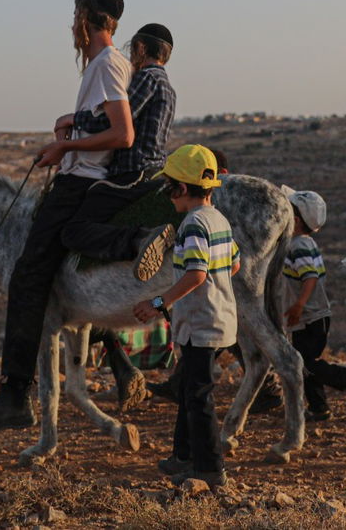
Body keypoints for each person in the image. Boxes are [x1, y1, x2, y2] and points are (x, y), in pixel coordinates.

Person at [0, 0, 135, 433]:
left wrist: (66, 149)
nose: (71, 25)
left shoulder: (108, 64)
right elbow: (102, 123)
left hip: (80, 183)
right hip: (76, 176)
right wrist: (69, 129)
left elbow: (123, 134)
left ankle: (14, 396)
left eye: (75, 15)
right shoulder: (100, 66)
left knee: (26, 276)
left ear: (89, 19)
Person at [133, 145, 240, 488]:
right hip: (220, 317)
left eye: (168, 187)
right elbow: (234, 263)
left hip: (199, 324)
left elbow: (195, 274)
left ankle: (209, 468)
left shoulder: (192, 224)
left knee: (199, 396)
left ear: (180, 189)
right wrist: (217, 287)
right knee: (190, 388)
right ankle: (183, 455)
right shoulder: (218, 219)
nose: (167, 195)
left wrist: (158, 303)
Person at [60, 23, 178, 279]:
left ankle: (141, 240)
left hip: (132, 173)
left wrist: (74, 119)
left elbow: (112, 123)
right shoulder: (168, 86)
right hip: (155, 170)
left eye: (133, 49)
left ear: (141, 48)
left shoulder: (147, 79)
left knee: (74, 230)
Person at [280, 187, 346, 421]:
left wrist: (298, 305)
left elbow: (310, 277)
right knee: (305, 364)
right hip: (309, 316)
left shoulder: (299, 246)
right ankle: (318, 408)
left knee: (305, 363)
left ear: (294, 220)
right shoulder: (302, 243)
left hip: (310, 316)